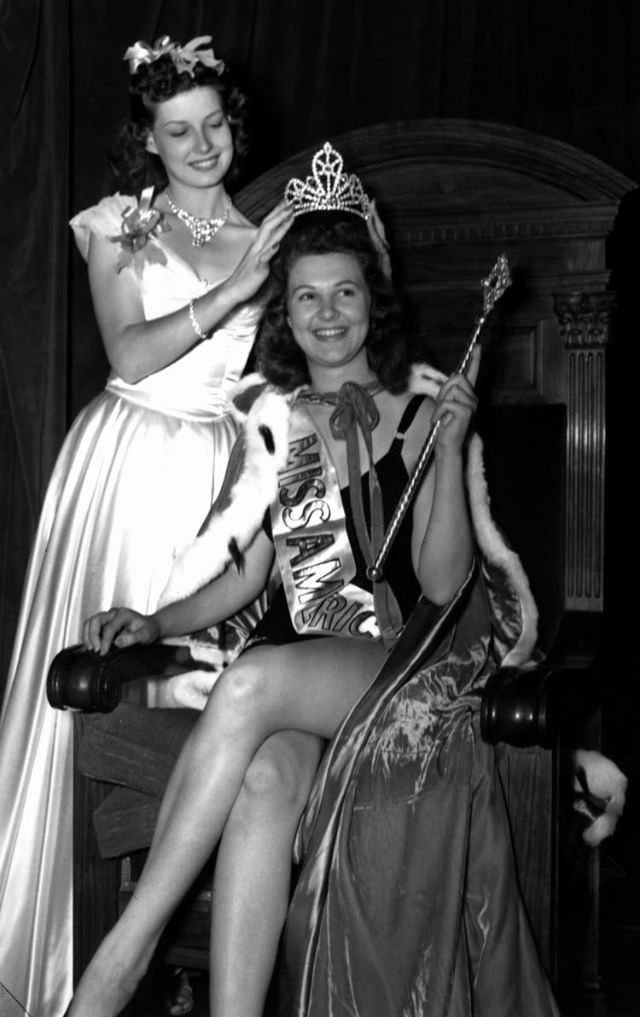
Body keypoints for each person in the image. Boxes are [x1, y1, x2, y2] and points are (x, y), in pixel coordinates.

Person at [68, 143, 560, 1017]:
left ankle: (126, 951)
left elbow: (445, 586)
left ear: (374, 302)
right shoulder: (275, 424)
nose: (326, 312)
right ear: (285, 316)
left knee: (253, 678)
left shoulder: (421, 412)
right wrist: (156, 619)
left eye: (344, 291)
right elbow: (244, 575)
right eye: (306, 295)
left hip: (405, 671)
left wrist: (447, 453)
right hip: (305, 677)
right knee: (263, 780)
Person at [0, 33, 294, 1017]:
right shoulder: (118, 225)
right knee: (97, 690)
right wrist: (232, 293)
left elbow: (278, 385)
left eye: (213, 124)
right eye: (179, 130)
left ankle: (179, 947)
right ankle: (50, 947)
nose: (201, 144)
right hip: (125, 467)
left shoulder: (268, 235)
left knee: (193, 689)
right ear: (150, 139)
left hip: (216, 477)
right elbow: (128, 354)